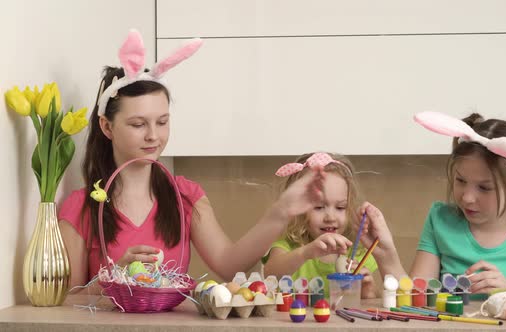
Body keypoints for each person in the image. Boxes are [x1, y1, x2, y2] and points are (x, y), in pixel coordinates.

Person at [58, 30, 325, 291]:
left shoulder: (185, 196)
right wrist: (115, 280)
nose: (153, 136)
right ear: (107, 127)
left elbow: (230, 266)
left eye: (162, 122)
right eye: (138, 124)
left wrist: (282, 211)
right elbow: (68, 303)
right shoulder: (80, 208)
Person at [361, 111, 506, 302]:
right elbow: (416, 300)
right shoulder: (440, 220)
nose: (468, 197)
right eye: (460, 181)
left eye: (484, 187)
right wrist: (385, 254)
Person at [262, 152, 405, 298]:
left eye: (340, 208)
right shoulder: (288, 247)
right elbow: (269, 274)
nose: (330, 217)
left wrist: (367, 291)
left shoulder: (360, 253)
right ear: (298, 209)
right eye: (318, 207)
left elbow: (369, 304)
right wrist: (305, 253)